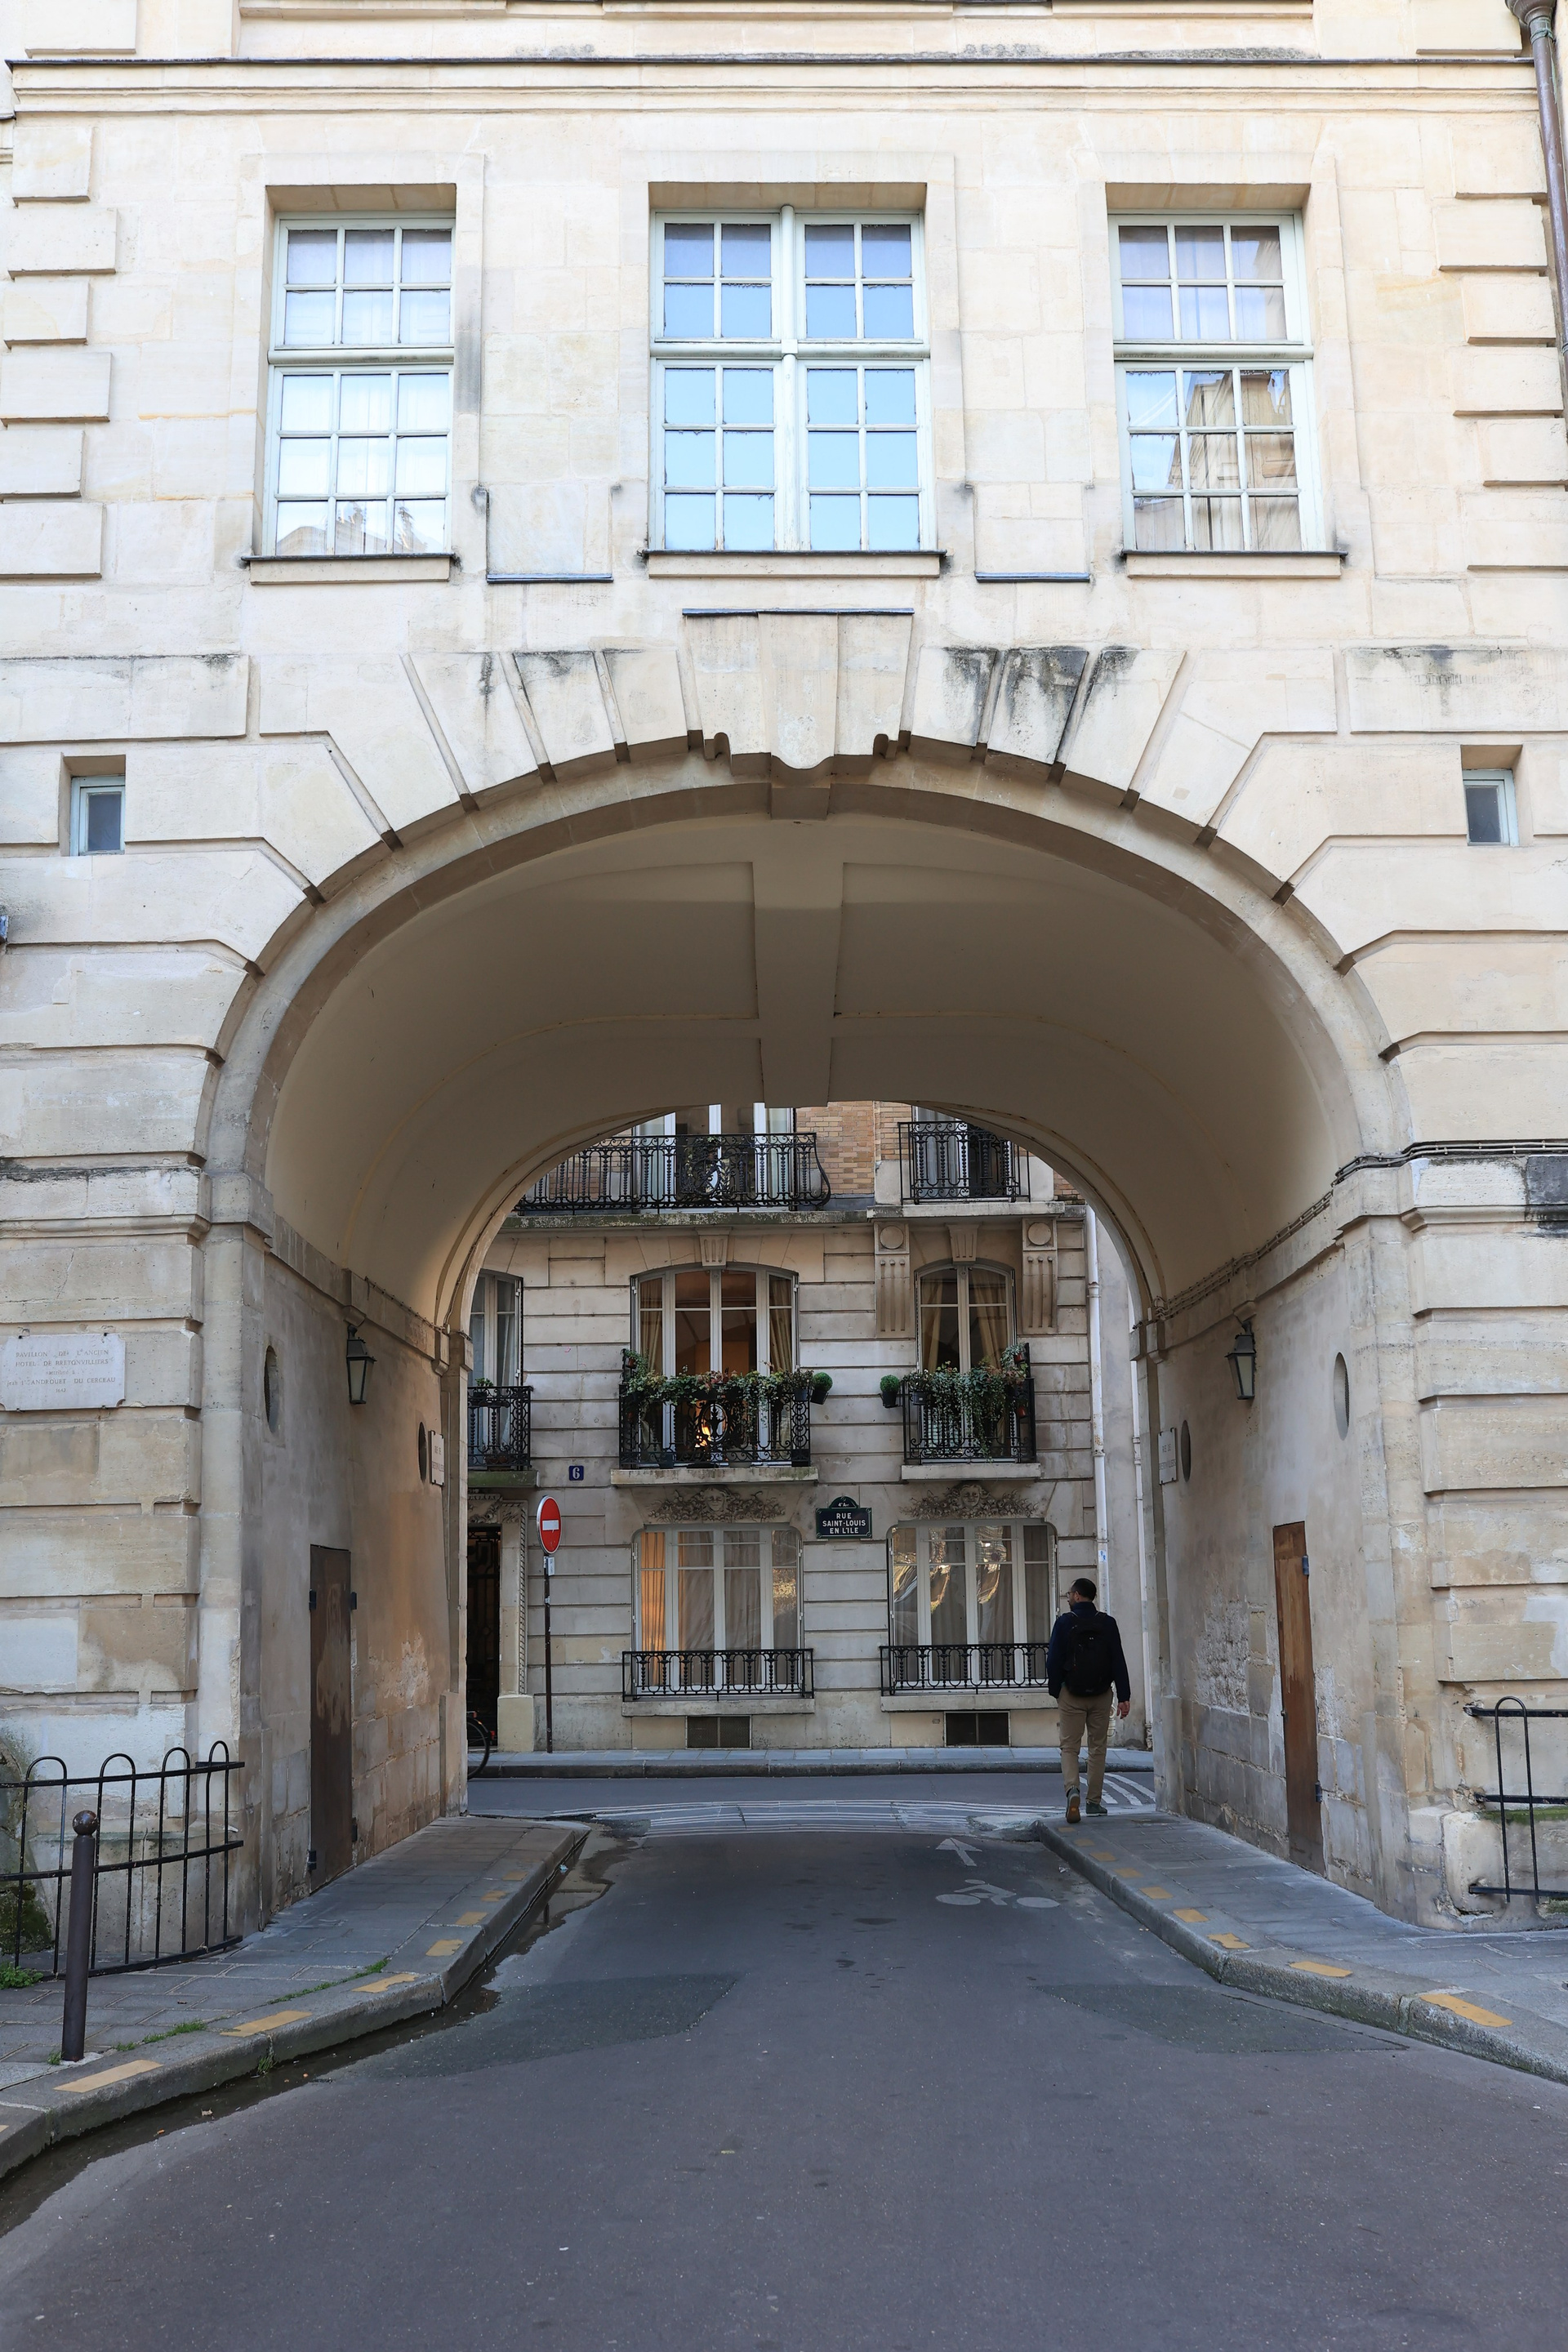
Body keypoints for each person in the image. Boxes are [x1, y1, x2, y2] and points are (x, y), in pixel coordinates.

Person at [1045, 1576, 1131, 1823]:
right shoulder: (1108, 1623)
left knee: (1069, 1747)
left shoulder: (1065, 1622)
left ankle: (1072, 1790)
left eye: (1069, 1594)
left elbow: (1053, 1660)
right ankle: (1094, 1802)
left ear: (1078, 1595)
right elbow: (1118, 1659)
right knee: (1098, 1748)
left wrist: (1057, 1691)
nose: (1069, 1598)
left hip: (1071, 1694)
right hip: (1102, 1695)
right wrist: (1124, 1696)